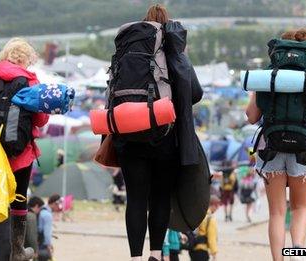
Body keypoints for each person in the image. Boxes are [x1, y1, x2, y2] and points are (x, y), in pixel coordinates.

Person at [109, 4, 204, 261]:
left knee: (136, 198)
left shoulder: (127, 47)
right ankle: (155, 254)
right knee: (160, 196)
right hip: (165, 136)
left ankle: (135, 258)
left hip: (128, 134)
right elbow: (195, 92)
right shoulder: (172, 49)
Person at [246, 28, 306, 261]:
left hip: (271, 148)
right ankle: (298, 252)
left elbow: (252, 117)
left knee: (277, 212)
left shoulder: (267, 77)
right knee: (300, 208)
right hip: (304, 150)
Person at [0, 38, 49, 261]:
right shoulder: (31, 81)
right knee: (18, 198)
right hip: (20, 153)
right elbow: (41, 119)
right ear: (27, 60)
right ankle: (17, 251)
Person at [188, 195, 220, 261]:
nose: (217, 208)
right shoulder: (210, 219)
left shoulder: (198, 214)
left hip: (192, 249)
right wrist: (214, 253)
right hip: (202, 249)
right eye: (217, 206)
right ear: (213, 205)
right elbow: (212, 238)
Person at [37, 194, 62, 261]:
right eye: (58, 206)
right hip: (42, 245)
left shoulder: (42, 209)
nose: (58, 208)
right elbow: (46, 233)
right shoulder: (48, 215)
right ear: (55, 203)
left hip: (37, 242)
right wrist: (49, 245)